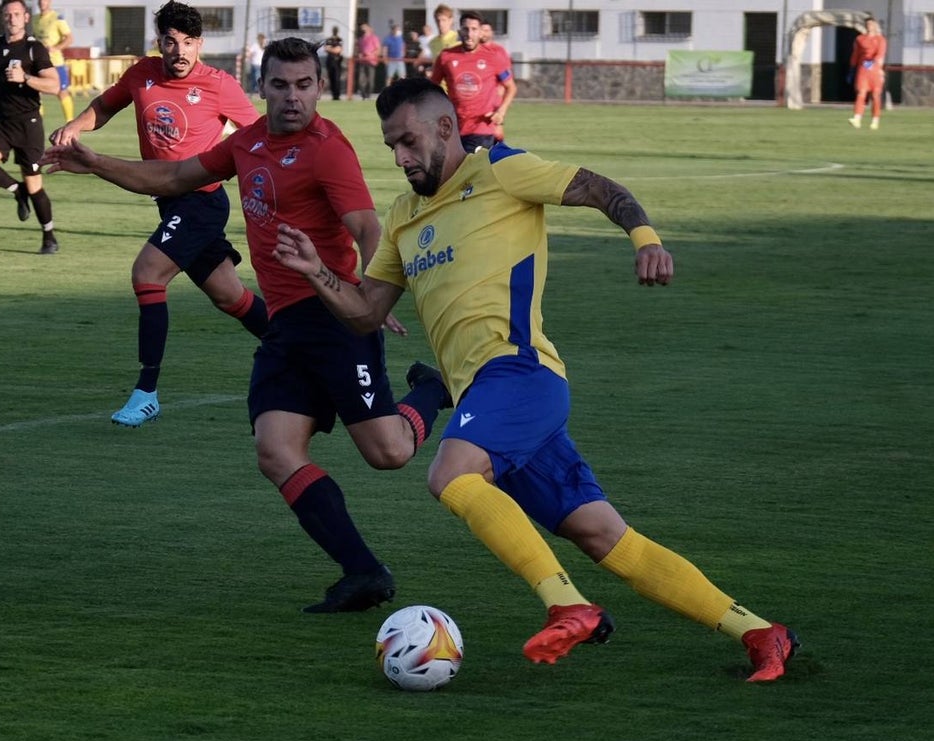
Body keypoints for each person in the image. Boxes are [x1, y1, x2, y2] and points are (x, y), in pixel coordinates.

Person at [271, 77, 801, 682]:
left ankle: (568, 605)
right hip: (493, 403)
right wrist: (317, 272)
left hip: (519, 372)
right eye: (391, 145)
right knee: (606, 538)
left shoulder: (502, 170)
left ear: (445, 127)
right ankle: (761, 632)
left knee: (450, 475)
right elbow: (366, 311)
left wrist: (645, 239)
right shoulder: (402, 217)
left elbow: (602, 189)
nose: (400, 158)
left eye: (409, 142)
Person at [41, 37, 452, 613]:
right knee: (276, 451)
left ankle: (431, 389)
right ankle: (364, 572)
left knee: (387, 453)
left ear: (319, 87)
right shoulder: (248, 143)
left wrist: (373, 292)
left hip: (334, 317)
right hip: (286, 328)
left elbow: (366, 226)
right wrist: (94, 162)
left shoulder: (327, 149)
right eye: (280, 85)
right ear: (262, 88)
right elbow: (172, 178)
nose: (292, 97)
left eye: (304, 85)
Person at [50, 0, 267, 427]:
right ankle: (303, 349)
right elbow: (106, 105)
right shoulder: (141, 74)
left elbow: (257, 134)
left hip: (202, 201)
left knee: (147, 274)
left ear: (200, 44)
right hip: (170, 201)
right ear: (159, 43)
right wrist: (76, 124)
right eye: (171, 42)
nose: (180, 51)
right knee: (231, 296)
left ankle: (146, 392)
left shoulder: (219, 84)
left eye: (188, 43)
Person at [0, 0, 63, 254]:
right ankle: (17, 190)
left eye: (16, 14)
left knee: (35, 184)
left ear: (26, 18)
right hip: (1, 120)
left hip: (28, 123)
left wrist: (25, 77)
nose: (11, 18)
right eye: (7, 14)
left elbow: (55, 85)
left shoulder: (35, 49)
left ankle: (49, 236)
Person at [429, 11, 516, 153]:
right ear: (459, 31)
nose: (469, 34)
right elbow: (431, 87)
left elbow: (510, 87)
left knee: (471, 170)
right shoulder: (446, 57)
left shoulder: (493, 57)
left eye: (474, 29)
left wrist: (501, 112)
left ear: (481, 32)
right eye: (465, 29)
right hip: (454, 128)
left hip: (481, 128)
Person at [34, 0, 76, 122]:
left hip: (55, 62)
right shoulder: (34, 18)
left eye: (44, 0)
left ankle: (70, 122)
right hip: (39, 61)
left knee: (62, 92)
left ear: (50, 2)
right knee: (36, 91)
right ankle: (37, 121)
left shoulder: (57, 18)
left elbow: (69, 38)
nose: (42, 3)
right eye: (40, 1)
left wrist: (55, 48)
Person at [848, 17, 887, 130]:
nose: (869, 26)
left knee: (875, 95)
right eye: (867, 24)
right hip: (863, 70)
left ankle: (875, 120)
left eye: (871, 24)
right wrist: (852, 68)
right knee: (861, 93)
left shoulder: (881, 40)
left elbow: (880, 54)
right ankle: (857, 118)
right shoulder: (860, 39)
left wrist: (873, 62)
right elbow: (856, 54)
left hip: (875, 70)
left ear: (875, 25)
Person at [355, 23, 379, 100]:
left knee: (370, 80)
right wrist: (359, 54)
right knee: (360, 79)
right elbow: (357, 49)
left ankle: (368, 94)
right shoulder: (360, 39)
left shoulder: (374, 38)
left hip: (371, 61)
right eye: (361, 28)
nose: (363, 30)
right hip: (362, 61)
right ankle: (363, 94)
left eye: (364, 28)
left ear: (368, 29)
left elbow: (378, 50)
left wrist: (370, 54)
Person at [322, 26, 343, 100]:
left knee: (337, 78)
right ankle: (333, 95)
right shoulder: (329, 39)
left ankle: (337, 95)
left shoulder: (339, 39)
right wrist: (333, 49)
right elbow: (325, 48)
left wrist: (330, 49)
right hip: (330, 60)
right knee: (331, 78)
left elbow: (338, 50)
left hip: (337, 61)